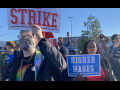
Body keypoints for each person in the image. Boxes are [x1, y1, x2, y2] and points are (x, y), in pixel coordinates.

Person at [2, 24, 66, 81]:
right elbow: (4, 75)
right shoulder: (15, 61)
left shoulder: (44, 60)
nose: (25, 38)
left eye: (28, 36)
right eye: (22, 36)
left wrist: (41, 39)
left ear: (36, 41)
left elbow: (61, 66)